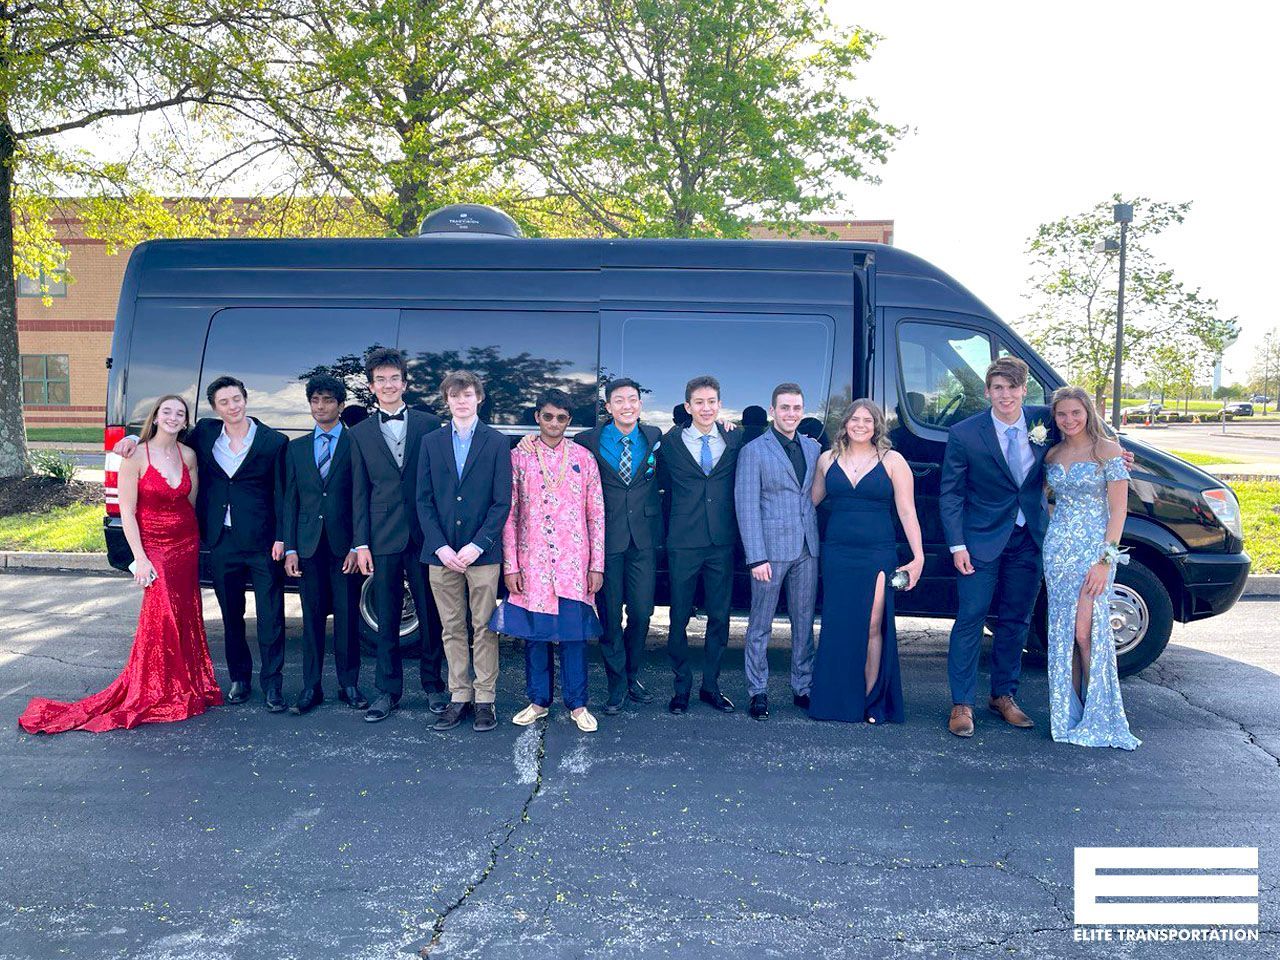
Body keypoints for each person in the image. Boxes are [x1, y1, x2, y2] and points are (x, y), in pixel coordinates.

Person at [20, 396, 222, 733]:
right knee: (161, 615)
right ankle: (156, 689)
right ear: (155, 417)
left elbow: (190, 501)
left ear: (186, 422)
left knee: (185, 612)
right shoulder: (135, 456)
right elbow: (127, 511)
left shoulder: (188, 455)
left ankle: (187, 684)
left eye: (180, 414)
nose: (173, 418)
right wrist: (139, 558)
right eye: (167, 412)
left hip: (185, 544)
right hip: (153, 546)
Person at [115, 375, 288, 710]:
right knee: (232, 616)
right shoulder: (205, 434)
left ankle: (273, 685)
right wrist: (132, 438)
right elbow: (165, 434)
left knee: (271, 617)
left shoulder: (273, 441)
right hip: (222, 541)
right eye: (224, 402)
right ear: (214, 408)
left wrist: (282, 537)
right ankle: (240, 680)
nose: (232, 406)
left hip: (263, 542)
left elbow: (283, 493)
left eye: (236, 399)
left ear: (245, 399)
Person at [491, 389, 606, 733]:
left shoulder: (584, 458)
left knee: (574, 635)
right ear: (537, 417)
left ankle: (578, 704)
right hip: (533, 564)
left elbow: (596, 514)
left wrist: (596, 564)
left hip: (573, 565)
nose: (554, 423)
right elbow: (509, 515)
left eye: (561, 418)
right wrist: (511, 565)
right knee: (536, 635)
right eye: (548, 416)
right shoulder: (519, 457)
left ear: (569, 421)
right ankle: (538, 702)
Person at [808, 400, 923, 724]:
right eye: (855, 419)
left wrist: (918, 557)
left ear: (876, 426)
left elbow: (907, 511)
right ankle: (837, 702)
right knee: (838, 625)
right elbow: (808, 503)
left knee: (873, 624)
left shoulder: (892, 460)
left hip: (877, 553)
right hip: (837, 553)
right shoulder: (827, 459)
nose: (860, 425)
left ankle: (872, 701)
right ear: (845, 423)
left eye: (867, 420)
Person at [350, 347, 446, 722]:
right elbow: (359, 492)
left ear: (405, 383)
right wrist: (361, 543)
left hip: (425, 535)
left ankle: (434, 686)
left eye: (394, 378)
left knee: (430, 614)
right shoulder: (359, 433)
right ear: (372, 387)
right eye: (381, 380)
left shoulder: (430, 423)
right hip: (383, 535)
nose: (388, 385)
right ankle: (387, 691)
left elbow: (440, 482)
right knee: (388, 617)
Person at [1043, 387, 1140, 750]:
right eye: (1062, 414)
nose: (1069, 420)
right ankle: (1070, 713)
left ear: (1088, 412)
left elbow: (1119, 511)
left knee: (1086, 632)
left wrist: (1104, 561)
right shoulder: (1052, 454)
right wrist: (1055, 521)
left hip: (1093, 553)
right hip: (1057, 552)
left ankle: (1098, 715)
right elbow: (1040, 498)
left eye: (1075, 413)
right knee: (1064, 634)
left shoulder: (1108, 451)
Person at [416, 370, 512, 733]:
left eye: (468, 394)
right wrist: (440, 546)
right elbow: (423, 500)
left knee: (484, 627)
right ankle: (459, 696)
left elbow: (502, 502)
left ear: (479, 398)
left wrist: (477, 545)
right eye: (455, 395)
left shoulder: (497, 442)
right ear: (446, 400)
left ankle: (485, 698)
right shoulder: (431, 442)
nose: (461, 401)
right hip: (441, 555)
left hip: (481, 555)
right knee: (451, 628)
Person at [573, 378, 664, 714]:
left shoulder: (654, 436)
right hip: (605, 539)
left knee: (641, 612)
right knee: (610, 616)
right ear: (608, 407)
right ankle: (616, 683)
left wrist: (728, 426)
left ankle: (632, 674)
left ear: (640, 404)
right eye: (620, 400)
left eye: (633, 399)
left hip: (644, 538)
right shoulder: (587, 441)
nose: (627, 405)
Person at [734, 383, 821, 721]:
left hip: (807, 548)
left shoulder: (813, 448)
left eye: (796, 408)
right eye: (784, 407)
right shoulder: (754, 450)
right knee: (761, 624)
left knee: (804, 622)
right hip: (769, 553)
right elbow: (746, 506)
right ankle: (757, 690)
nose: (791, 414)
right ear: (773, 411)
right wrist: (756, 556)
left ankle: (803, 687)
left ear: (803, 411)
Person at [660, 375, 744, 715]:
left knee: (720, 617)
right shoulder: (670, 443)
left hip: (721, 540)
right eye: (699, 402)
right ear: (688, 406)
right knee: (678, 615)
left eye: (711, 402)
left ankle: (711, 685)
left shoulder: (735, 438)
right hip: (683, 540)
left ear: (720, 405)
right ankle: (681, 687)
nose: (706, 408)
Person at [282, 374, 367, 715]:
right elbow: (290, 501)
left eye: (328, 400)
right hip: (308, 546)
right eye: (315, 400)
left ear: (341, 405)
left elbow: (361, 497)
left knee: (347, 619)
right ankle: (310, 687)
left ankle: (349, 685)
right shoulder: (297, 448)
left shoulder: (355, 444)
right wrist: (290, 549)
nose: (321, 406)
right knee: (312, 619)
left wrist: (358, 544)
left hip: (345, 548)